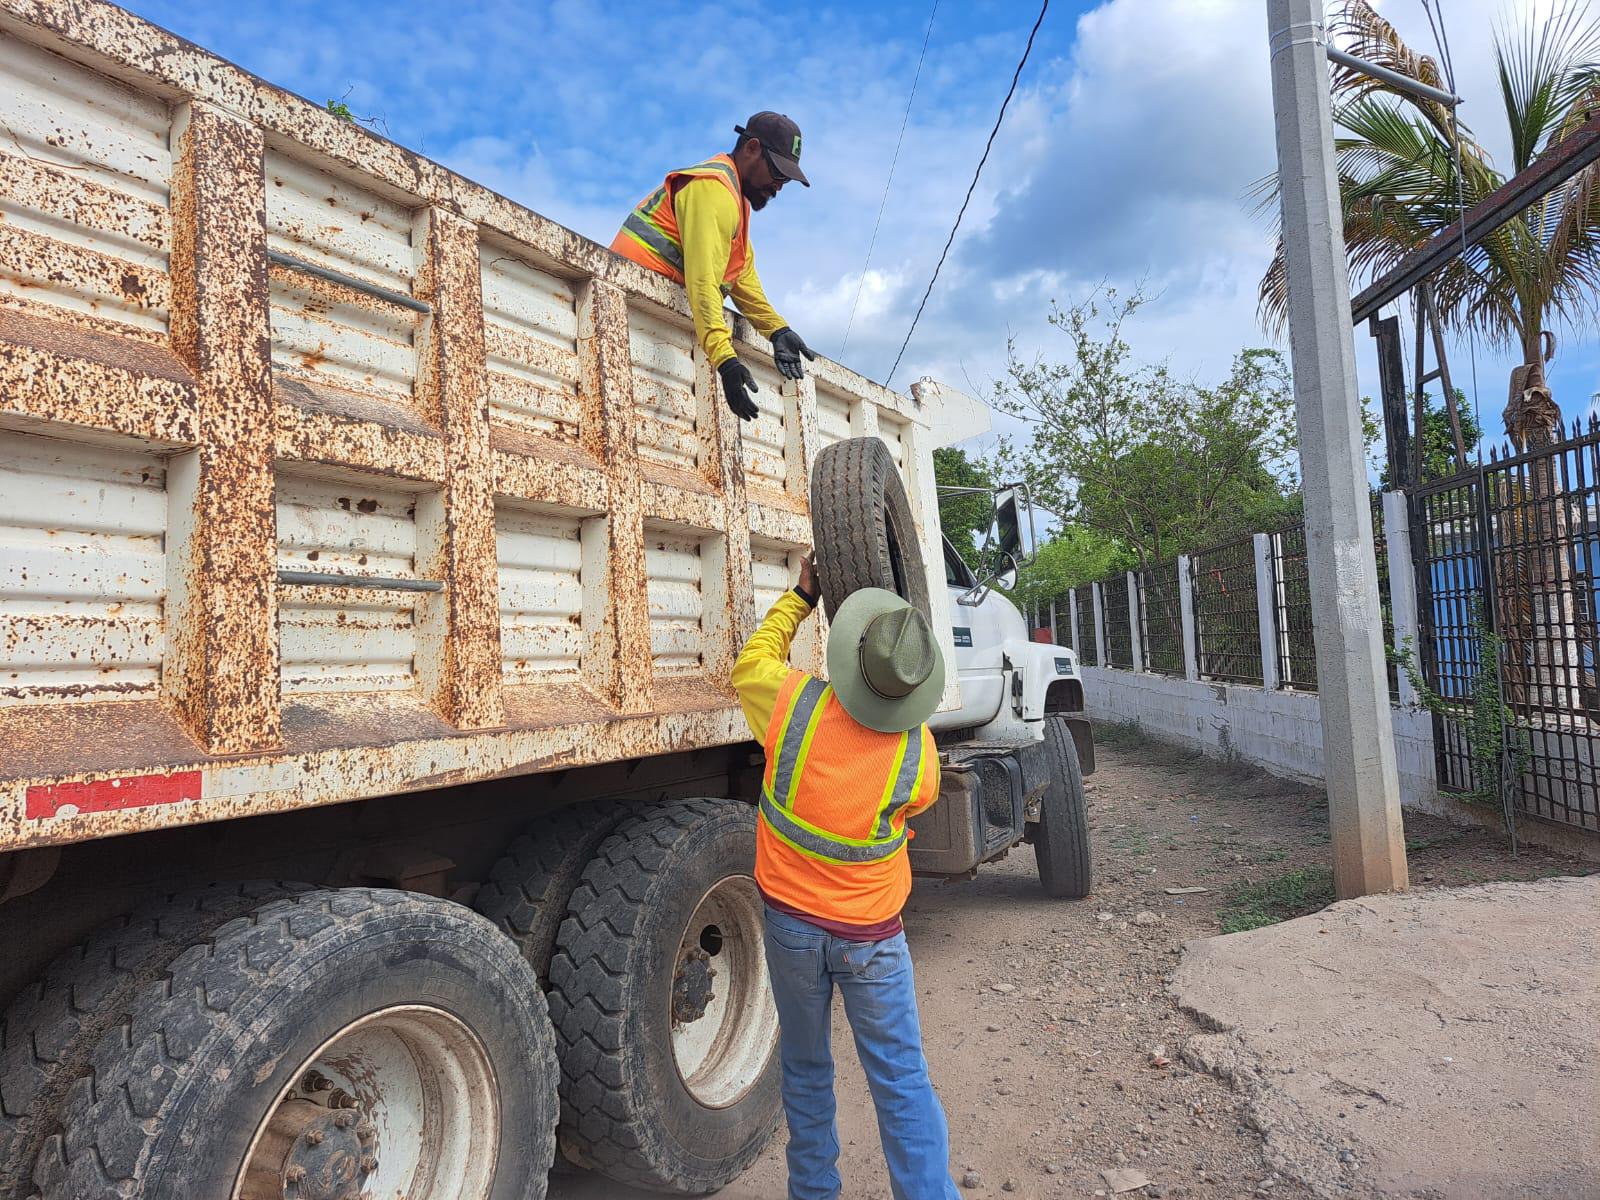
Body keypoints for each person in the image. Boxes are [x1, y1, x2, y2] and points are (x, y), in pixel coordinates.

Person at [731, 555, 961, 1200]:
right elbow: (913, 806)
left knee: (805, 1073)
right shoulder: (918, 755)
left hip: (792, 931)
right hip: (873, 942)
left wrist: (803, 594)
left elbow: (749, 663)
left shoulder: (793, 706)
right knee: (901, 1081)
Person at [611, 112, 817, 422]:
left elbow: (741, 276)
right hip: (628, 307)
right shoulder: (714, 189)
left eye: (785, 179)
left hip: (644, 313)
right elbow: (704, 281)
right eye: (777, 173)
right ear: (751, 149)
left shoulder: (734, 199)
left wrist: (777, 329)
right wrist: (725, 360)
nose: (778, 186)